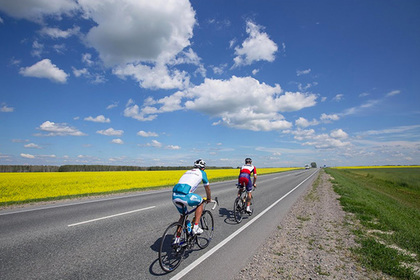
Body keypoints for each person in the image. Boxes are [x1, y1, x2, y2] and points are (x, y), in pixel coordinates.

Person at [172, 159, 211, 236]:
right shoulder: (202, 173)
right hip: (185, 195)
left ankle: (177, 239)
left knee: (183, 216)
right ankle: (196, 227)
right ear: (203, 168)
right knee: (200, 202)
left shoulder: (187, 172)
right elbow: (207, 188)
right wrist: (209, 198)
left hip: (174, 195)